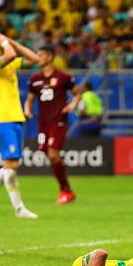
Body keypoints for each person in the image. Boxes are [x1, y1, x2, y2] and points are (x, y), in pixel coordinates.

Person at [0, 33, 38, 218]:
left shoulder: (9, 64)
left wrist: (13, 42)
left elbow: (34, 59)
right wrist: (4, 41)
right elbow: (9, 55)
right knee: (10, 166)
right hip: (3, 118)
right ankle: (19, 209)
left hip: (16, 117)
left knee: (12, 166)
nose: (4, 40)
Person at [25, 46, 82, 205]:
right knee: (46, 153)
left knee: (52, 154)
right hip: (43, 122)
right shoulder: (35, 79)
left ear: (50, 57)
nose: (38, 58)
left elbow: (77, 93)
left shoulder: (63, 77)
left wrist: (72, 105)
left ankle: (66, 191)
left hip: (59, 120)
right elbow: (30, 98)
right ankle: (66, 189)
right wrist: (27, 110)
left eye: (41, 55)